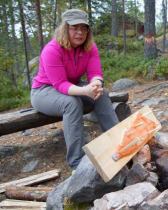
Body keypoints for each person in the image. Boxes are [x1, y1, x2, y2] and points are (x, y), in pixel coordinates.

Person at [31, 9, 119, 174]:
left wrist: (95, 85)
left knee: (102, 94)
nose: (80, 32)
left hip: (73, 85)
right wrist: (85, 90)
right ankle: (77, 164)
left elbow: (95, 74)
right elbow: (60, 84)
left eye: (84, 28)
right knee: (71, 103)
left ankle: (119, 143)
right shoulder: (52, 50)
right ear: (66, 29)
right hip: (43, 91)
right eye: (74, 28)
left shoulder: (90, 48)